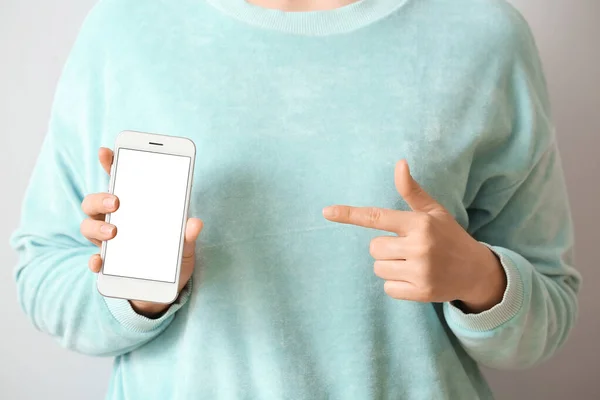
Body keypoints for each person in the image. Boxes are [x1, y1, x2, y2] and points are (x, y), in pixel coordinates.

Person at [10, 0, 582, 398]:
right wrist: (140, 294)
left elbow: (551, 310)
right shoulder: (126, 27)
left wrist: (481, 280)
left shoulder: (483, 33)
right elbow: (43, 271)